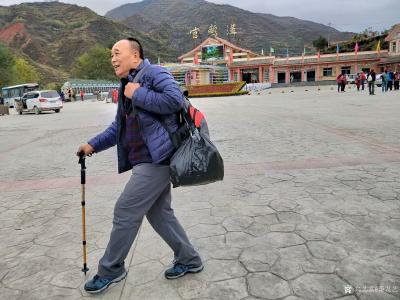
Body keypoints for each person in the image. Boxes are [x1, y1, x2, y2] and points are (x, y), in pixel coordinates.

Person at [77, 38, 203, 294]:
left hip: (158, 159)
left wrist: (138, 93)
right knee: (160, 214)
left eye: (117, 52)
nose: (112, 58)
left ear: (135, 56)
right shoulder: (125, 85)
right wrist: (92, 145)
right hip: (145, 159)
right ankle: (189, 259)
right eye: (110, 54)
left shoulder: (154, 73)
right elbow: (118, 128)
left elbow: (175, 100)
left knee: (125, 210)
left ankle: (111, 269)